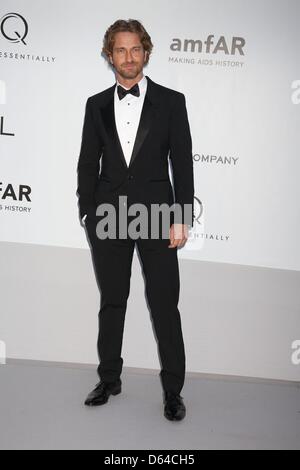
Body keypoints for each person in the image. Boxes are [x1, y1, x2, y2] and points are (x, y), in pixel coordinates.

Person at [76, 19, 195, 421]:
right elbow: (86, 163)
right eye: (120, 50)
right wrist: (87, 213)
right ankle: (109, 378)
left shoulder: (172, 101)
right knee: (113, 301)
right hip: (108, 215)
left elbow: (182, 162)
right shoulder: (95, 104)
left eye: (135, 49)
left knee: (165, 304)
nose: (128, 57)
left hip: (159, 215)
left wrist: (181, 217)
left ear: (146, 52)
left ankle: (173, 391)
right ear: (110, 57)